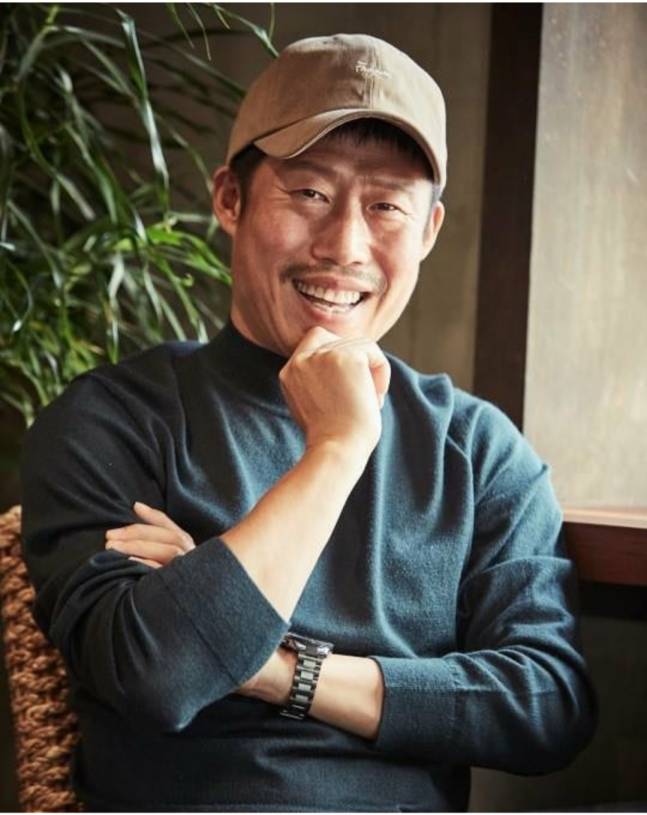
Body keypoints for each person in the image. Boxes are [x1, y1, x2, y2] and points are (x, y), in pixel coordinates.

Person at [20, 33, 596, 812]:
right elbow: (161, 672)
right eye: (309, 194)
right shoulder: (113, 419)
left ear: (427, 231)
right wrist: (337, 447)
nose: (344, 245)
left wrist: (270, 662)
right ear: (230, 198)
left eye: (386, 206)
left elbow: (544, 702)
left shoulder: (476, 448)